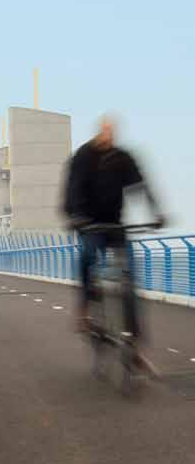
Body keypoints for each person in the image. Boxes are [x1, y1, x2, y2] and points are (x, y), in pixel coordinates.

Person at [62, 118, 164, 334]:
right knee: (88, 256)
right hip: (89, 223)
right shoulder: (84, 156)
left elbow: (141, 186)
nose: (108, 136)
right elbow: (72, 188)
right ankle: (85, 306)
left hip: (116, 225)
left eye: (112, 132)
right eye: (105, 131)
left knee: (129, 277)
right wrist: (74, 216)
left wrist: (156, 212)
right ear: (99, 132)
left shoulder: (122, 158)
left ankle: (134, 343)